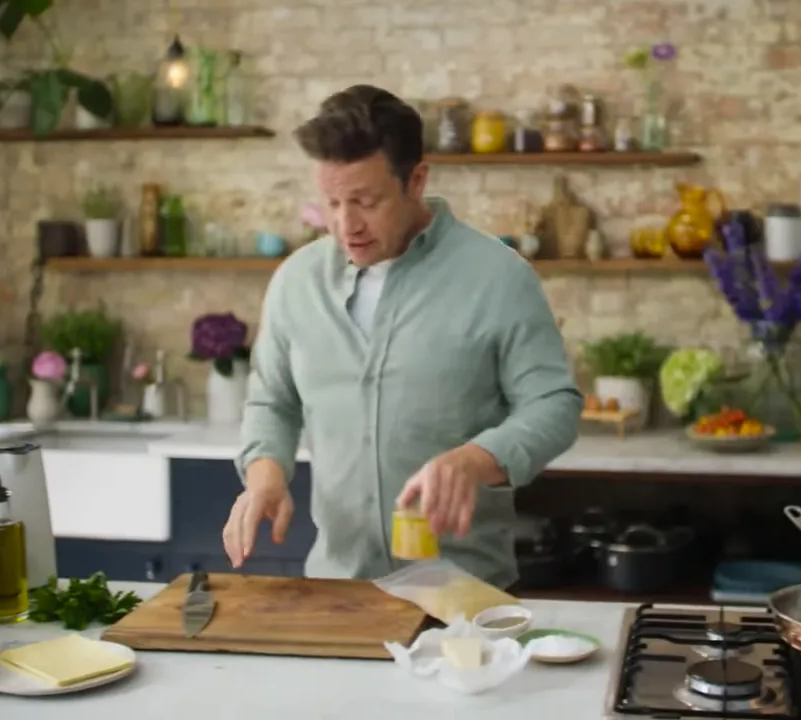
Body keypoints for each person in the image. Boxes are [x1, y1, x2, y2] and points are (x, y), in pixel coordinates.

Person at [222, 85, 583, 589]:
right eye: (331, 202)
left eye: (366, 201)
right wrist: (264, 474)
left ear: (416, 180)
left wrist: (479, 459)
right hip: (337, 592)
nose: (346, 225)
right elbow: (273, 402)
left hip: (465, 599)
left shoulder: (498, 277)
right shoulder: (295, 282)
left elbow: (554, 405)